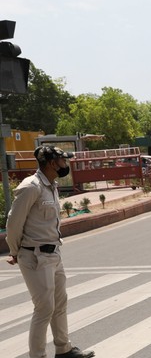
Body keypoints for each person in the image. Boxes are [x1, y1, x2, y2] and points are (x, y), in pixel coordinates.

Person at [5, 145, 95, 358]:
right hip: (34, 255)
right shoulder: (31, 187)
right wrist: (15, 250)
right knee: (44, 308)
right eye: (63, 161)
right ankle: (37, 355)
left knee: (60, 303)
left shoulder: (51, 185)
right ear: (52, 163)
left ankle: (63, 349)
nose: (66, 165)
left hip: (53, 253)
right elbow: (13, 222)